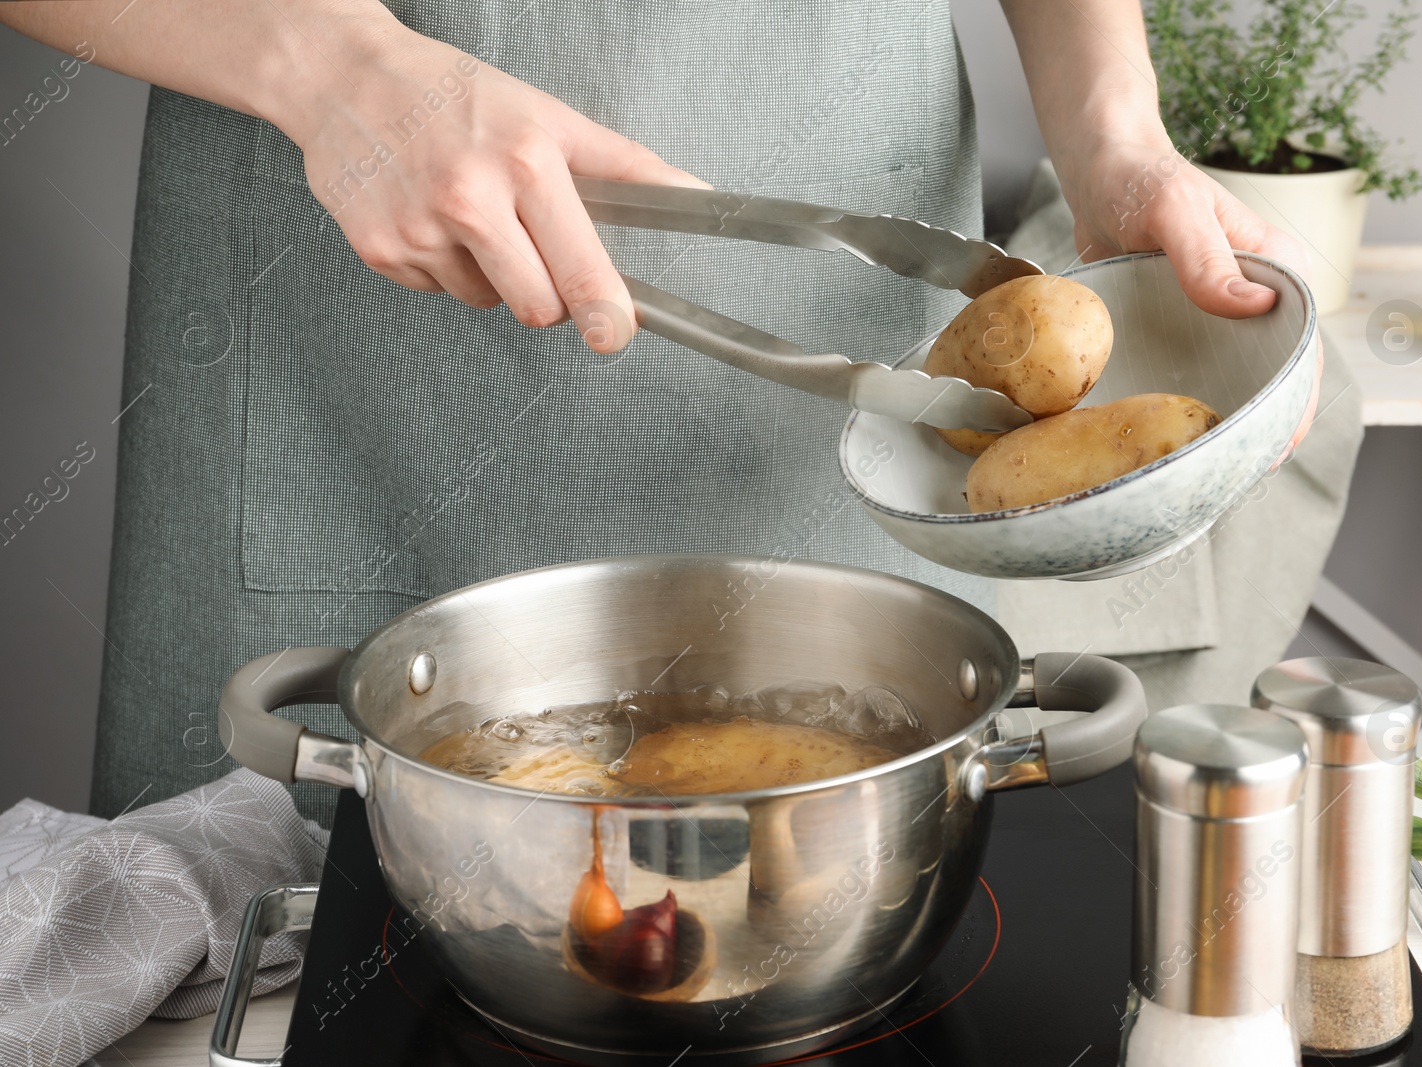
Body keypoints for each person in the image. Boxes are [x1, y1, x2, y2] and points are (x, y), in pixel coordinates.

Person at [0, 0, 1320, 825]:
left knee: (806, 885)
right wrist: (341, 66)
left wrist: (1114, 132)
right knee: (272, 933)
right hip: (341, 325)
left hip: (839, 326)